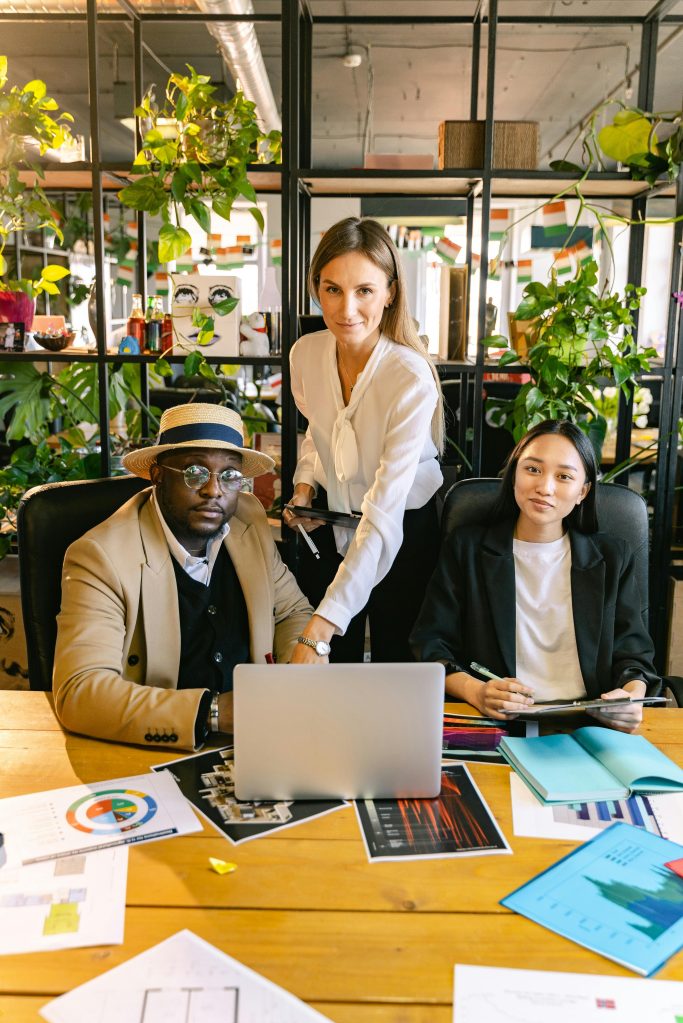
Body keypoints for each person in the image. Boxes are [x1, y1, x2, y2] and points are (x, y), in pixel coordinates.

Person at [53, 403, 313, 751]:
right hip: (150, 749)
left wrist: (293, 676)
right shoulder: (102, 555)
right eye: (195, 472)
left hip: (259, 738)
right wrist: (212, 713)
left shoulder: (247, 521)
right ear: (158, 475)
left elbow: (293, 613)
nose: (214, 490)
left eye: (230, 475)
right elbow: (80, 692)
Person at [411, 419, 661, 733]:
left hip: (590, 725)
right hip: (499, 724)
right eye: (532, 469)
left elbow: (634, 656)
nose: (545, 487)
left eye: (564, 476)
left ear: (583, 491)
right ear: (514, 474)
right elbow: (430, 645)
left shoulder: (613, 558)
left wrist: (631, 698)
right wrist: (476, 691)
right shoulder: (468, 549)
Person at [285, 216, 445, 663]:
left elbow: (382, 515)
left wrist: (320, 628)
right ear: (316, 288)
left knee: (396, 664)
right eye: (333, 289)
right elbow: (320, 432)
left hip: (402, 525)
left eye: (365, 291)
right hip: (334, 517)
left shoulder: (409, 378)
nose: (347, 309)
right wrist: (304, 488)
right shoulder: (305, 354)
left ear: (390, 292)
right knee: (335, 667)